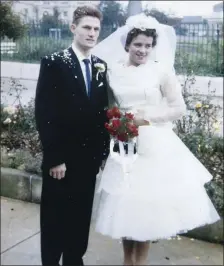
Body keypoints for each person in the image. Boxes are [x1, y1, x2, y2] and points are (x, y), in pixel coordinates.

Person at [92, 14, 220, 265]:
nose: (142, 50)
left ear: (153, 47)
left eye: (148, 45)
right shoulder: (113, 70)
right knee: (125, 207)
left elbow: (178, 108)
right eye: (138, 44)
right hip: (124, 145)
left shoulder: (161, 71)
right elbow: (108, 105)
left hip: (154, 146)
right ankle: (127, 260)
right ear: (127, 44)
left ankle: (140, 262)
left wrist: (145, 119)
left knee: (144, 207)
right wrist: (117, 122)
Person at [35, 5, 110, 266]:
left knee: (80, 217)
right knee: (55, 218)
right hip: (62, 160)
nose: (92, 33)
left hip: (88, 160)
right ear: (73, 28)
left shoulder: (101, 66)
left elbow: (102, 113)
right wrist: (55, 158)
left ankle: (74, 260)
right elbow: (45, 113)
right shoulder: (55, 62)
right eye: (87, 28)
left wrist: (102, 153)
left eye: (96, 29)